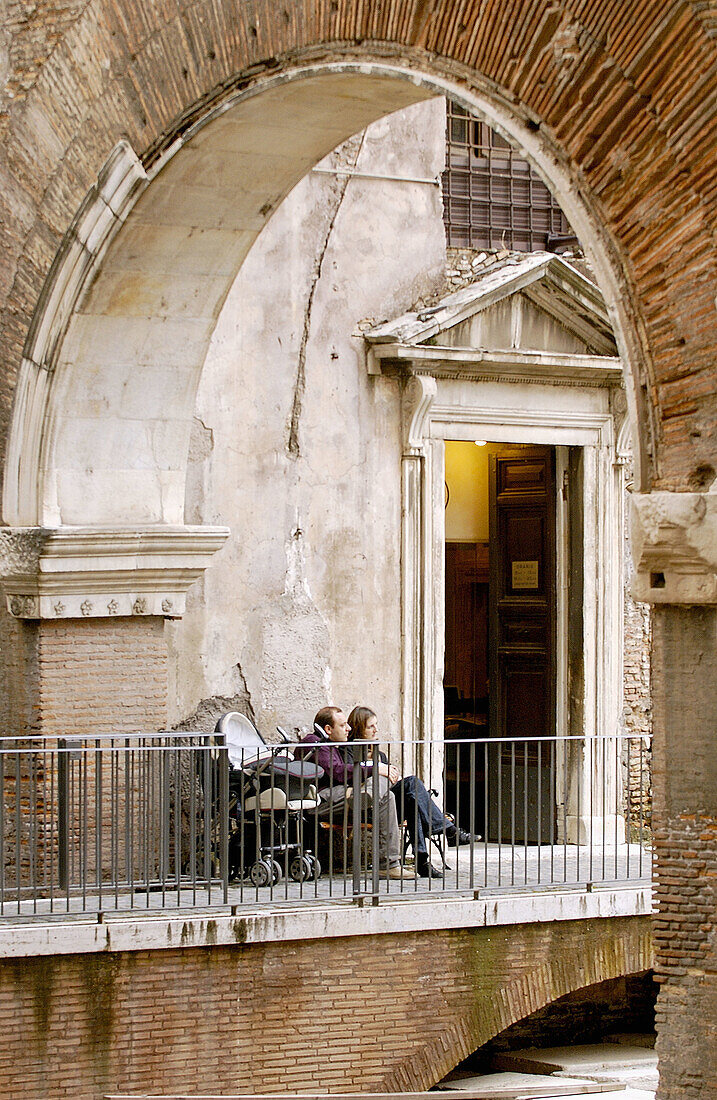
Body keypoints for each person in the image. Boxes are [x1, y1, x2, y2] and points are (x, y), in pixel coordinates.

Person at [347, 705, 480, 878]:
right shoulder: (348, 751)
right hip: (366, 806)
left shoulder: (380, 755)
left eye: (376, 725)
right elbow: (349, 777)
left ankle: (426, 856)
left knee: (413, 799)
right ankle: (444, 836)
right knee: (412, 786)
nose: (376, 730)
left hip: (389, 804)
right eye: (370, 726)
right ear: (358, 728)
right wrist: (375, 770)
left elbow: (391, 781)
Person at [295, 706, 413, 879]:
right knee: (384, 786)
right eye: (343, 726)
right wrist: (375, 769)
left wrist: (377, 769)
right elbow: (338, 771)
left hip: (342, 793)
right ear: (328, 729)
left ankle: (370, 794)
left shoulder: (330, 743)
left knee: (387, 793)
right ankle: (388, 864)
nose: (349, 729)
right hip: (321, 798)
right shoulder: (315, 743)